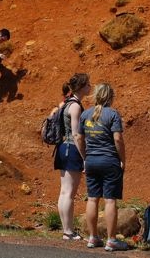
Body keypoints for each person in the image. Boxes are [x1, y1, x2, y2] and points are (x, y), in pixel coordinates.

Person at [74, 83, 128, 252]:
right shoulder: (112, 114)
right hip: (109, 160)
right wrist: (122, 160)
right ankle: (111, 240)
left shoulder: (85, 114)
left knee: (92, 198)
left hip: (91, 161)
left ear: (96, 96)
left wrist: (84, 157)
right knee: (110, 199)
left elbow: (78, 137)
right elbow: (118, 139)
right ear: (110, 97)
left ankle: (92, 237)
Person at [54, 73, 92, 241]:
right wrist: (84, 156)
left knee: (64, 191)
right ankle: (68, 231)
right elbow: (77, 134)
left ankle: (66, 229)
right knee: (69, 192)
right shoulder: (75, 106)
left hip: (62, 148)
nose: (90, 87)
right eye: (88, 84)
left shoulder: (66, 103)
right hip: (72, 149)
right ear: (82, 87)